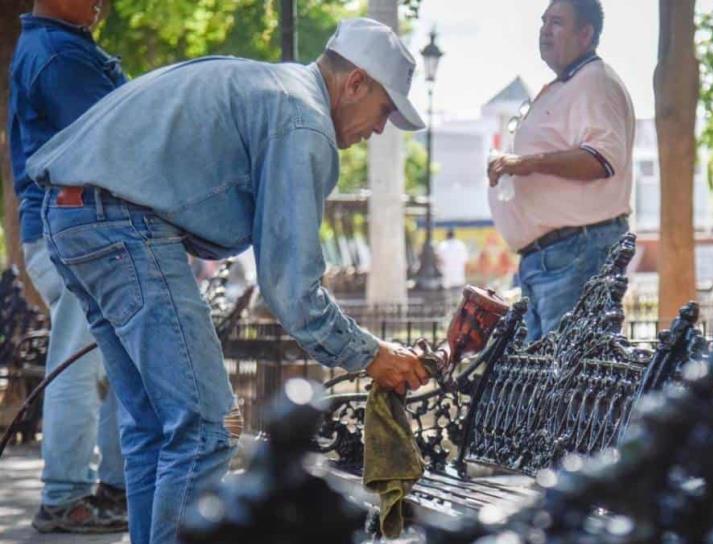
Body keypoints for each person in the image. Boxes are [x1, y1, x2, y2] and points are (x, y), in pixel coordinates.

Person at [26, 17, 430, 544]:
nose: (378, 130)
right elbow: (292, 289)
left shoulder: (271, 87)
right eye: (383, 111)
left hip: (72, 214)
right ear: (355, 83)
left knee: (154, 426)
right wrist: (370, 354)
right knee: (206, 429)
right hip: (122, 224)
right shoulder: (303, 120)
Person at [7, 0, 127, 533]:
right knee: (78, 367)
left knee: (114, 366)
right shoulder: (58, 55)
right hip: (72, 232)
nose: (102, 2)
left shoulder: (58, 46)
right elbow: (115, 148)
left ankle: (107, 489)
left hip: (67, 231)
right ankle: (66, 497)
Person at [487, 0, 635, 342]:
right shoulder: (567, 84)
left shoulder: (595, 81)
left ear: (585, 34)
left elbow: (601, 159)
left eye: (556, 22)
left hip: (575, 254)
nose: (544, 30)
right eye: (543, 21)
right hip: (551, 258)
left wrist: (524, 164)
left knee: (568, 382)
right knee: (546, 383)